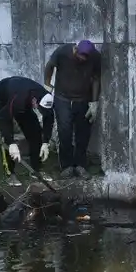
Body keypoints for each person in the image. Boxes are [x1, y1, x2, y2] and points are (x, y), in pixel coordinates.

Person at [43, 39, 101, 177]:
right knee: (65, 131)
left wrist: (94, 102)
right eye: (81, 56)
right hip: (62, 98)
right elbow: (49, 66)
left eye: (86, 57)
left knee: (83, 132)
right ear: (75, 49)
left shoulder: (95, 57)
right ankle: (66, 166)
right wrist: (47, 85)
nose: (83, 59)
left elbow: (96, 78)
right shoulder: (62, 52)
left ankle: (80, 165)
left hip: (83, 99)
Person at [0, 75, 54, 185]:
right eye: (39, 108)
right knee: (7, 135)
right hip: (1, 98)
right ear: (35, 101)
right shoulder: (19, 98)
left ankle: (36, 170)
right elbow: (4, 118)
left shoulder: (46, 98)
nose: (39, 110)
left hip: (23, 100)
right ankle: (10, 173)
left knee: (35, 132)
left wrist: (45, 142)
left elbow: (49, 118)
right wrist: (11, 143)